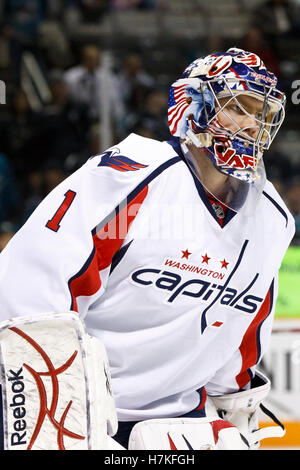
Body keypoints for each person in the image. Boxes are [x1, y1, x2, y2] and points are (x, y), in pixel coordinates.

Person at [0, 48, 294, 450]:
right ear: (195, 104)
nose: (251, 125)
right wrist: (50, 410)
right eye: (238, 107)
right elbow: (33, 290)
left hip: (180, 421)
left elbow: (243, 330)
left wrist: (234, 404)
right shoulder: (132, 180)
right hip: (81, 411)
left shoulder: (272, 218)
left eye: (261, 114)